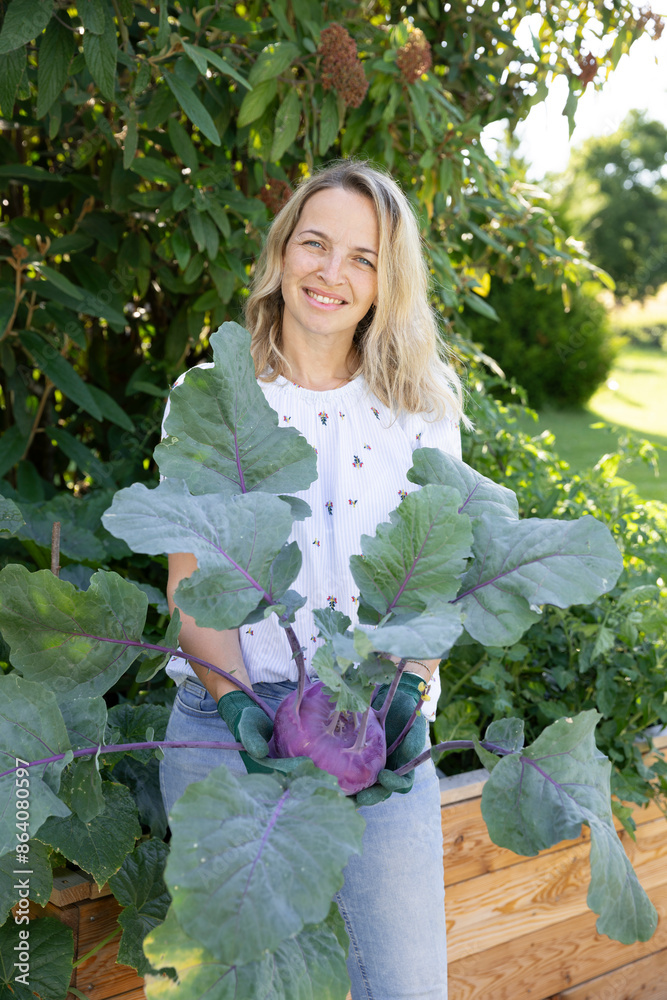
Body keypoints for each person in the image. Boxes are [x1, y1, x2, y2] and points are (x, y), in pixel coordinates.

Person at [159, 159, 467, 1000]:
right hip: (228, 733)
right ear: (282, 252)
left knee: (404, 988)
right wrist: (235, 705)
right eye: (315, 244)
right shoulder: (215, 394)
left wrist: (403, 696)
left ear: (384, 282)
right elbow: (195, 589)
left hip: (373, 736)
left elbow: (433, 587)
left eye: (361, 257)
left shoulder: (422, 412)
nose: (331, 273)